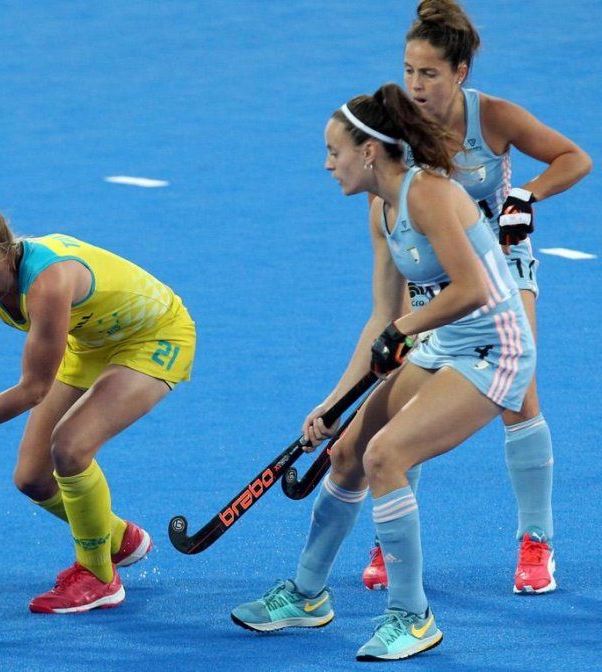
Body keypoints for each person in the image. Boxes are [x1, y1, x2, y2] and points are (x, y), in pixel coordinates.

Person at [229, 84, 535, 661]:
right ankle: (307, 595)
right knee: (346, 451)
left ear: (368, 152)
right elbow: (382, 318)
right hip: (442, 346)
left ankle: (413, 617)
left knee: (385, 456)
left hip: (496, 351)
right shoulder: (381, 210)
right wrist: (333, 402)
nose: (327, 164)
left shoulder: (431, 196)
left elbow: (472, 290)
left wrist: (406, 327)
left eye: (334, 151)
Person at [360, 0, 592, 595]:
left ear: (460, 72)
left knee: (521, 395)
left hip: (504, 269)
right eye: (409, 70)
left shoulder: (493, 117)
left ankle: (536, 541)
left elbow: (575, 158)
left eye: (429, 73)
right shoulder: (400, 129)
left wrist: (528, 195)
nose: (415, 85)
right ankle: (390, 535)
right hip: (434, 281)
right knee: (406, 405)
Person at [0, 193, 194, 614]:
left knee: (70, 448)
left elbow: (32, 390)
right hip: (91, 342)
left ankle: (98, 576)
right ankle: (117, 538)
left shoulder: (48, 283)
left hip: (152, 336)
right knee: (33, 478)